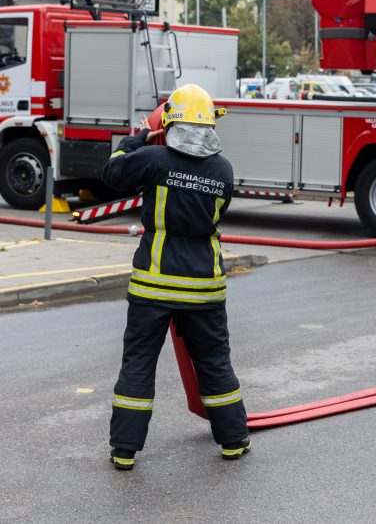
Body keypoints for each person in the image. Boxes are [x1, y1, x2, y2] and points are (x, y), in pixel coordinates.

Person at [102, 84, 250, 471]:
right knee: (215, 362)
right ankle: (233, 441)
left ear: (169, 123)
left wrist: (134, 140)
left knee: (138, 363)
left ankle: (124, 450)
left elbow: (113, 173)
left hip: (153, 282)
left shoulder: (153, 158)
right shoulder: (224, 169)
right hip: (204, 285)